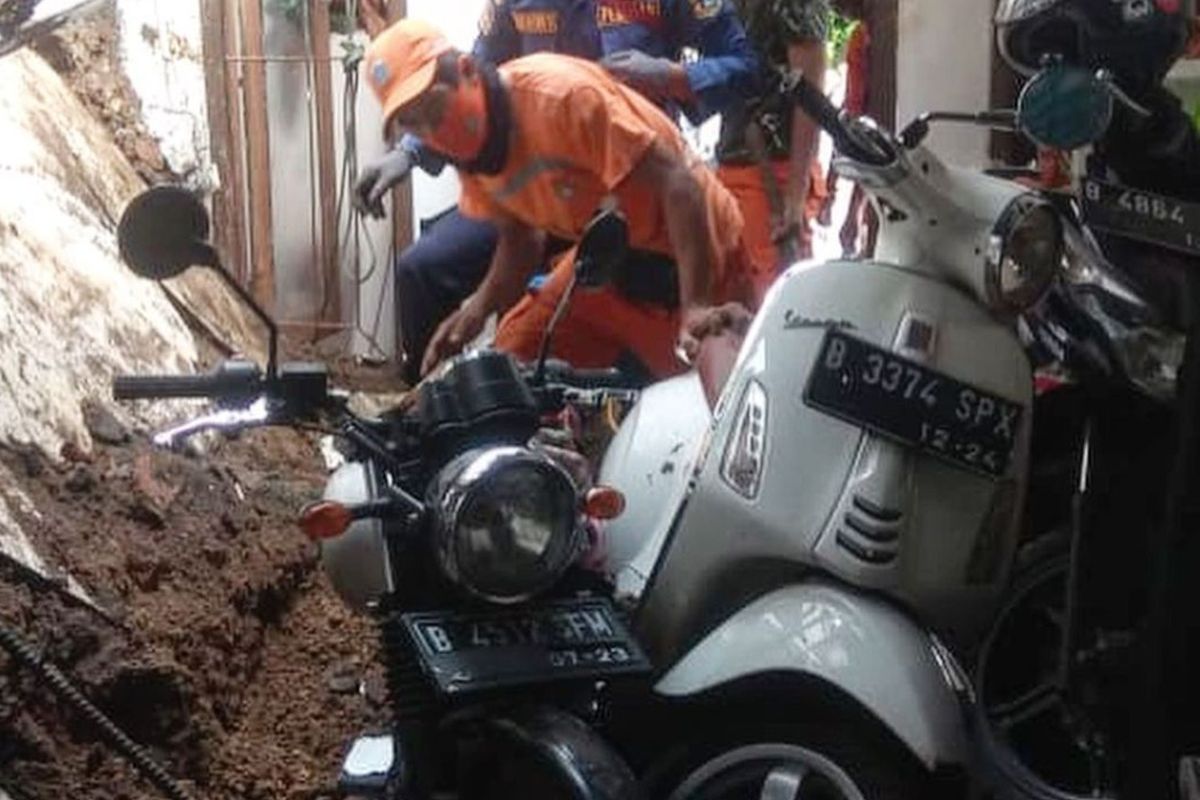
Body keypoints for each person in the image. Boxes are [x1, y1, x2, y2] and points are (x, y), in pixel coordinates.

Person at [354, 1, 759, 383]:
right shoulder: (476, 138)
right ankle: (428, 403)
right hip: (578, 219)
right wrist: (409, 153)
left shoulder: (564, 96)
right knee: (503, 367)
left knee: (712, 395)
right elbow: (465, 84)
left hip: (665, 212)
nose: (430, 132)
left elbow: (747, 69)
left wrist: (675, 77)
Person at [712, 0, 829, 302]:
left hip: (772, 175)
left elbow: (810, 92)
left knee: (780, 305)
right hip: (734, 168)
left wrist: (794, 195)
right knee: (739, 308)